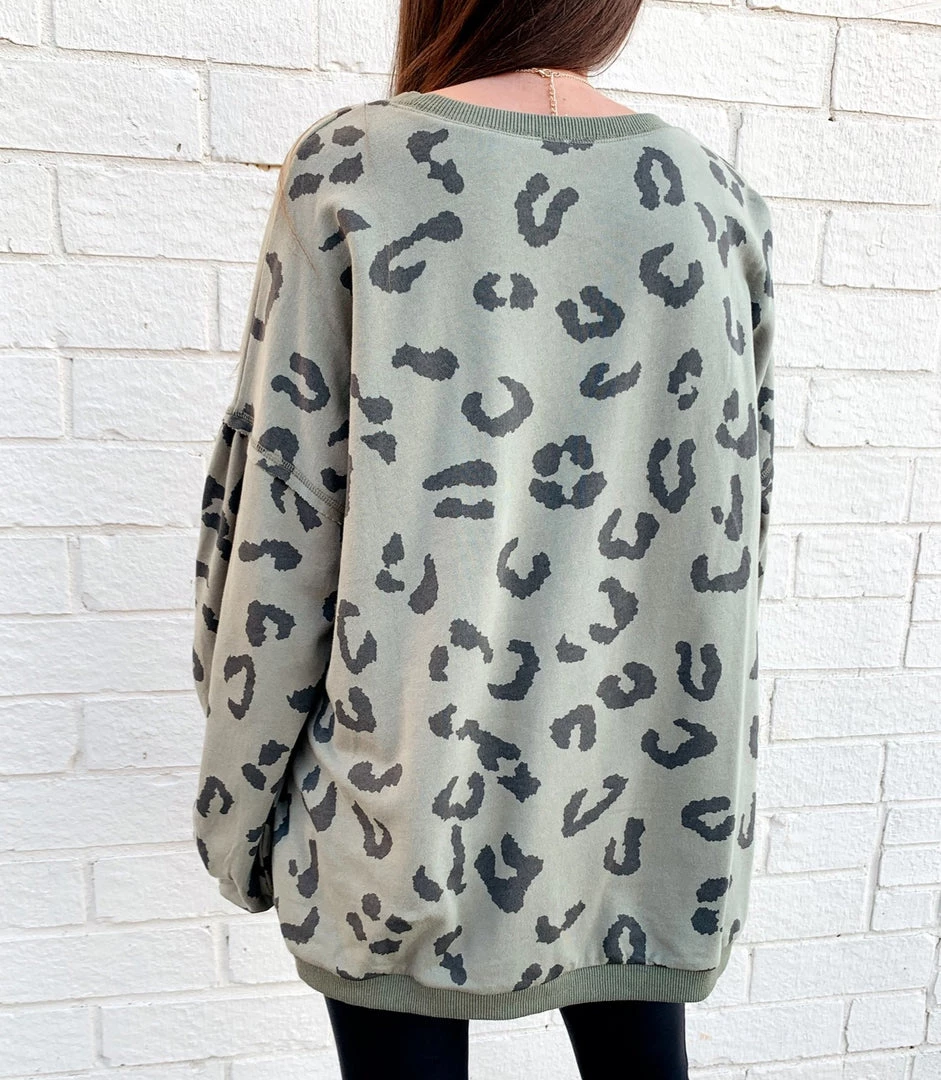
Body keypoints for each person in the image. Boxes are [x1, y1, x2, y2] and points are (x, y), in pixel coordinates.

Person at [190, 2, 775, 1077]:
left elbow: (283, 512)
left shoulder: (356, 166)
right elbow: (734, 527)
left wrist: (238, 806)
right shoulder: (716, 199)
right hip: (649, 819)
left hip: (403, 808)